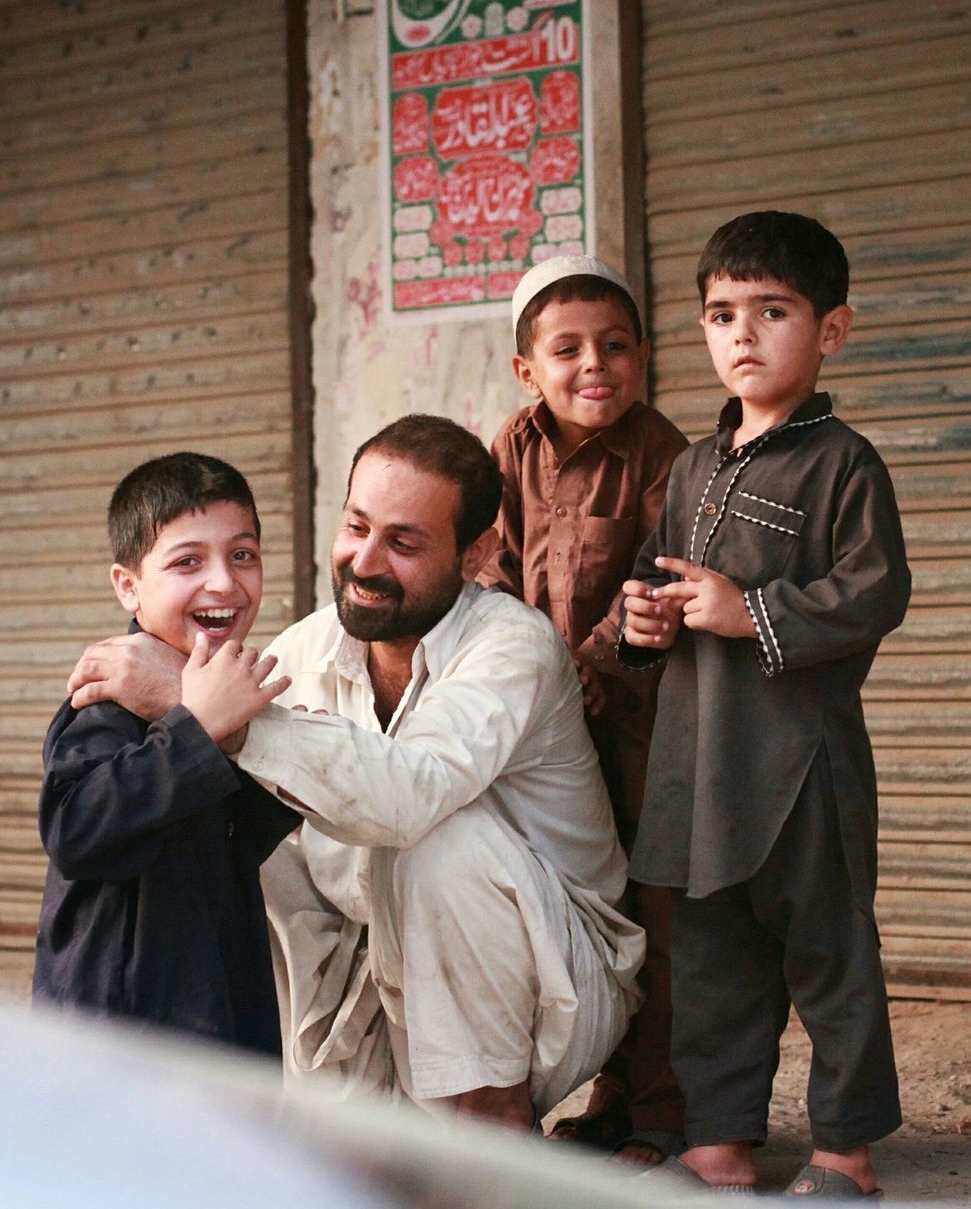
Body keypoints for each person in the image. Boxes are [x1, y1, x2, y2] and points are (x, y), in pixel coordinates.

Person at [66, 415, 645, 1133]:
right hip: (367, 986)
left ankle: (493, 1122)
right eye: (357, 527)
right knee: (251, 821)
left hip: (549, 983)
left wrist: (206, 707)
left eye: (404, 543)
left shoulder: (512, 646)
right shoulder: (305, 648)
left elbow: (406, 797)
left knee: (439, 840)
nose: (365, 562)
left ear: (475, 555)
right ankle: (341, 1112)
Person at [619, 211, 912, 1197]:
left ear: (829, 329)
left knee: (828, 956)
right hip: (697, 763)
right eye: (718, 314)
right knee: (709, 960)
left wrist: (752, 611)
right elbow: (650, 583)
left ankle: (844, 1147)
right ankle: (718, 1138)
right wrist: (644, 621)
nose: (740, 335)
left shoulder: (841, 464)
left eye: (769, 311)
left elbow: (875, 592)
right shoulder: (690, 469)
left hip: (799, 763)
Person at [478, 255, 689, 1160]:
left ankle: (657, 1111)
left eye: (614, 346)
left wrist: (583, 670)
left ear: (643, 355)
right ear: (528, 370)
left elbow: (655, 575)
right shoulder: (511, 449)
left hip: (638, 721)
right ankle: (575, 1093)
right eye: (566, 350)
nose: (592, 365)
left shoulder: (665, 455)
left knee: (654, 912)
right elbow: (487, 561)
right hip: (540, 730)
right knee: (557, 904)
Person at [33, 453, 298, 1053]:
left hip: (219, 1012)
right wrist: (196, 731)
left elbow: (237, 839)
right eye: (187, 562)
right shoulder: (108, 700)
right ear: (129, 587)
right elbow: (75, 829)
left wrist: (258, 749)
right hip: (124, 1041)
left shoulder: (229, 689)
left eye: (243, 555)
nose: (225, 583)